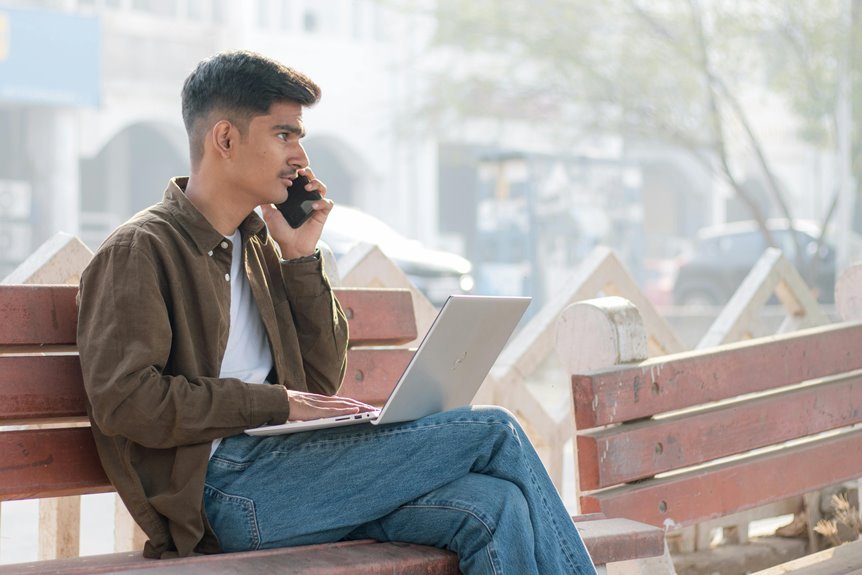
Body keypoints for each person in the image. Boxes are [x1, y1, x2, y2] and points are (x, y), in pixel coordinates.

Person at [77, 50, 596, 575]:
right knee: (495, 431)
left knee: (491, 507)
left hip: (293, 471)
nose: (300, 156)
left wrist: (301, 258)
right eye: (284, 135)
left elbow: (322, 380)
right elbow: (126, 402)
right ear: (226, 140)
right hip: (224, 493)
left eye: (300, 138)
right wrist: (274, 403)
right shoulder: (142, 249)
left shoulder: (257, 246)